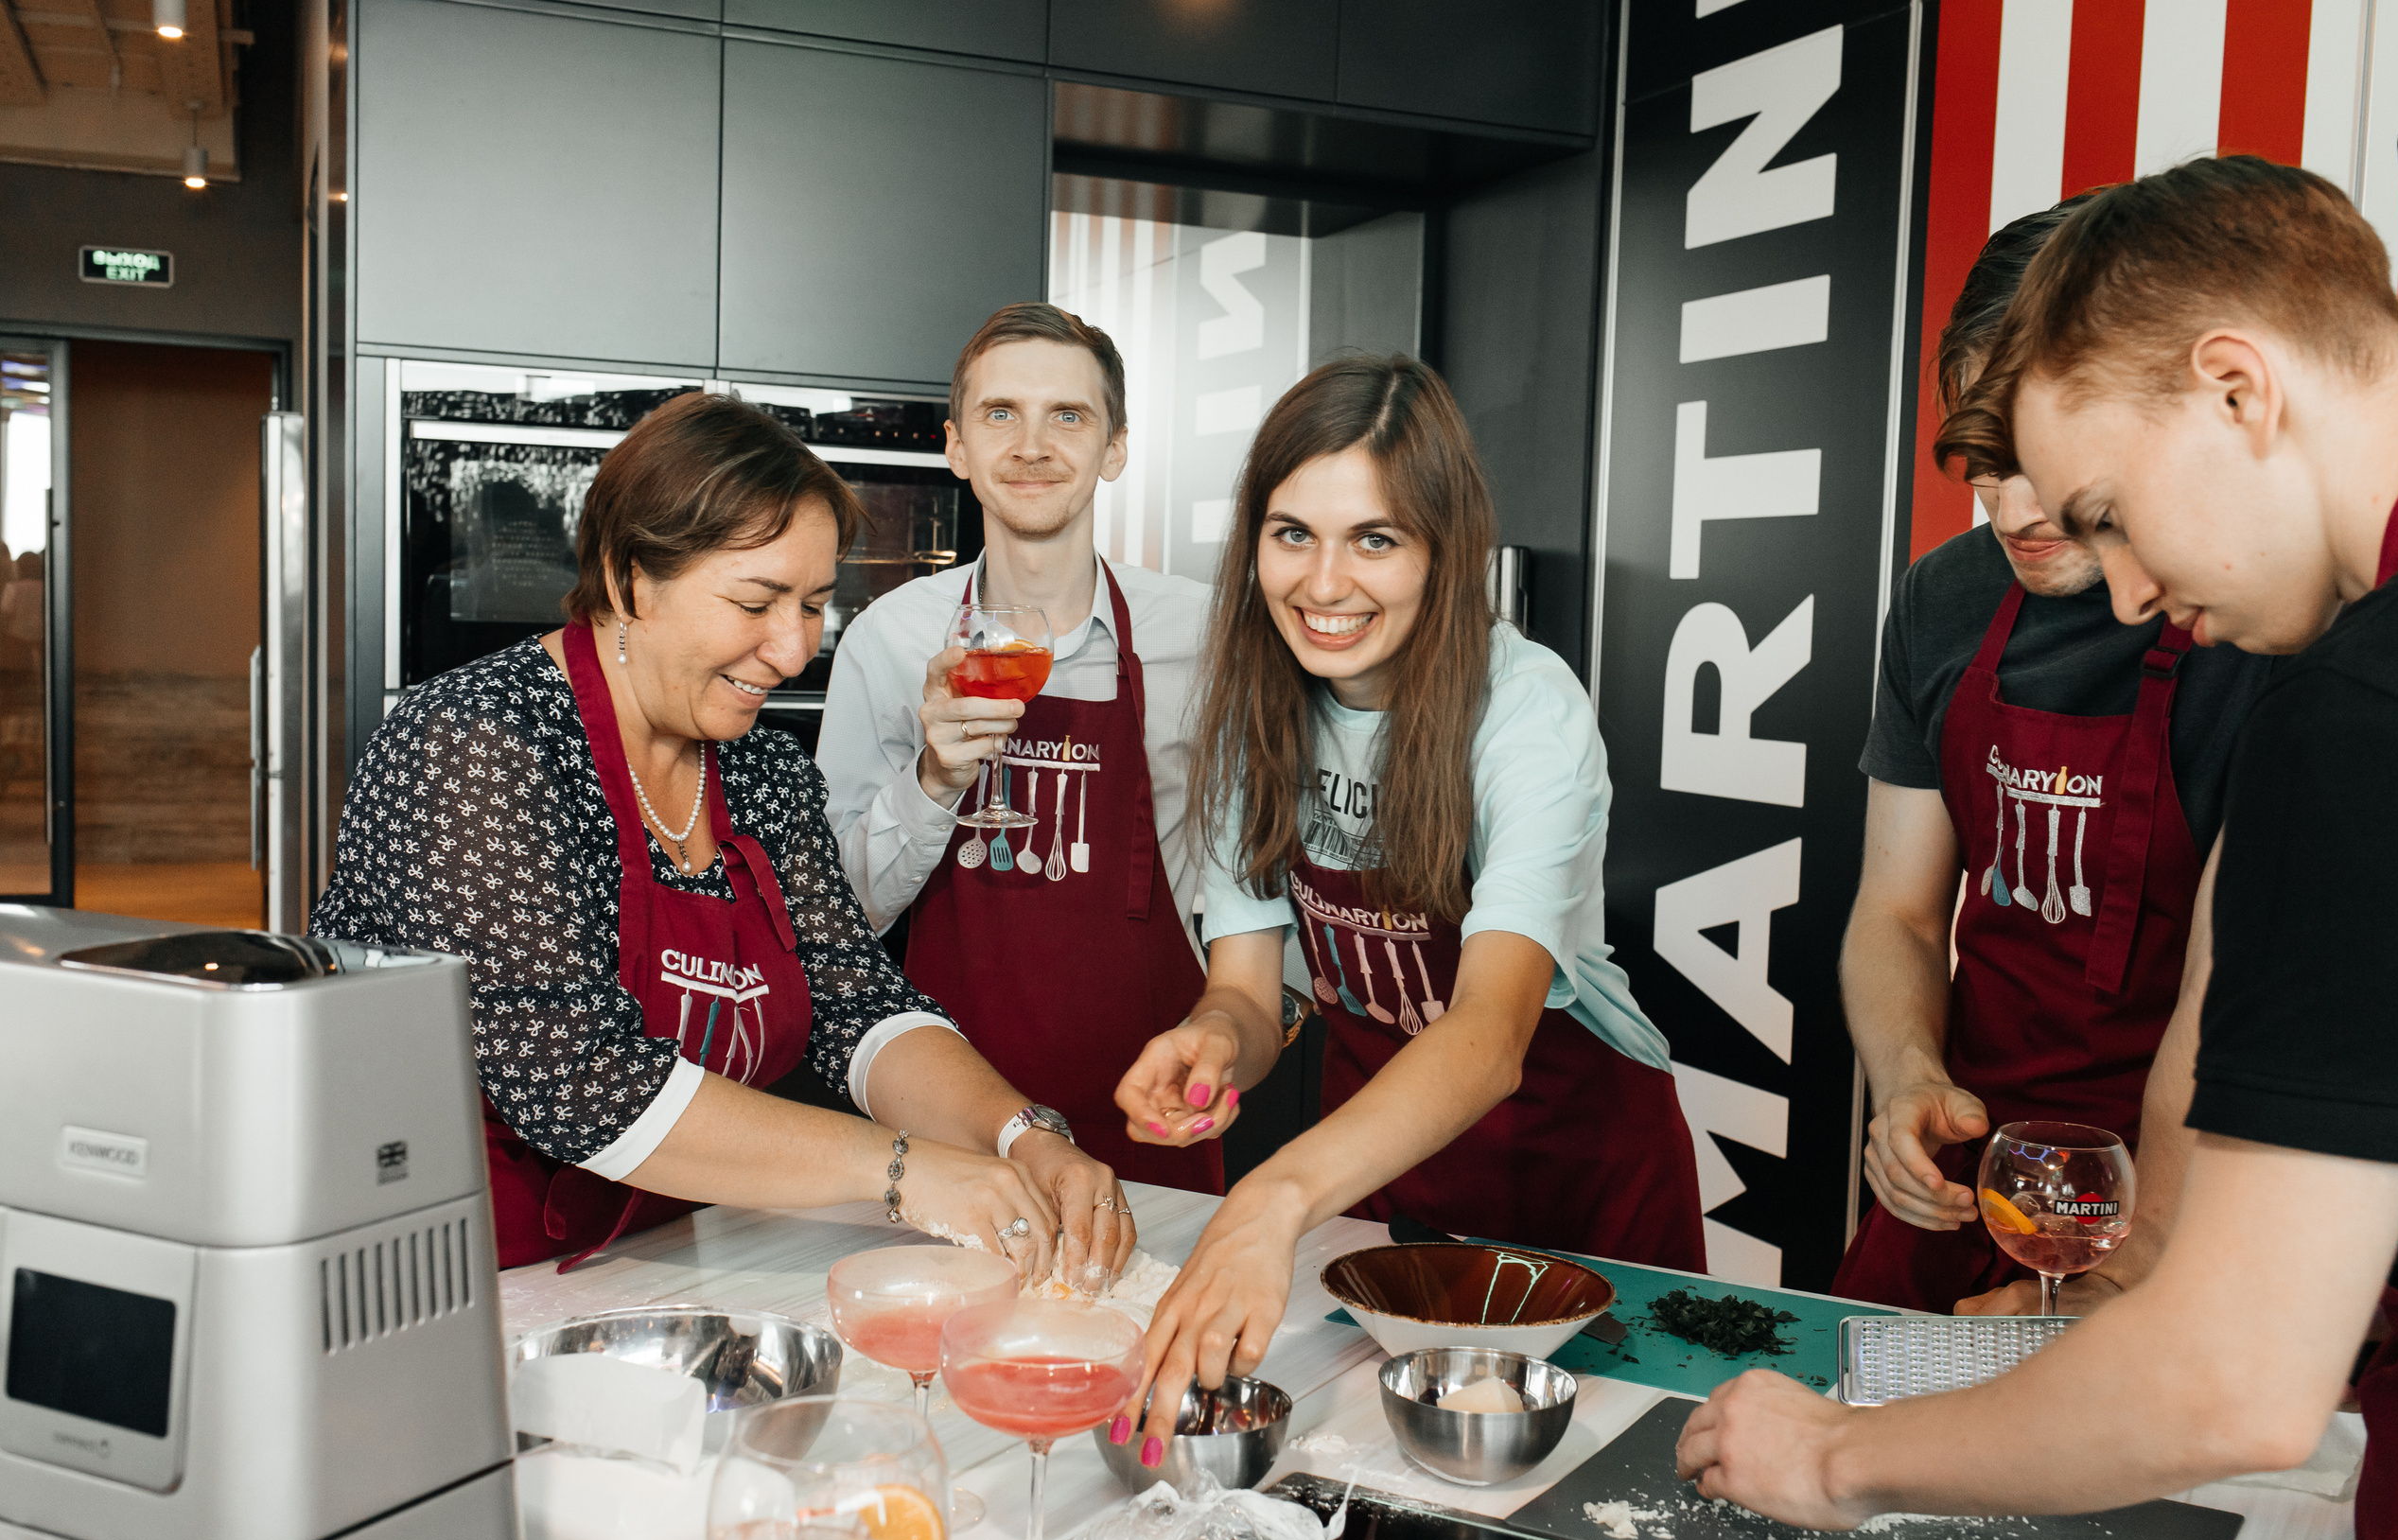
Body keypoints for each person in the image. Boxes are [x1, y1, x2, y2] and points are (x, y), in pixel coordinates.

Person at [1675, 158, 2398, 1540]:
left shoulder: (2364, 701)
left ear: (2235, 388)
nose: (2131, 587)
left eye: (2110, 509)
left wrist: (1833, 1456)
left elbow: (2233, 1375)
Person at [313, 392, 1133, 1278]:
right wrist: (904, 1173)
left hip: (657, 1258)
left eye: (816, 605)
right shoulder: (477, 744)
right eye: (756, 602)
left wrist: (1019, 1134)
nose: (792, 651)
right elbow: (580, 1084)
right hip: (447, 1273)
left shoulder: (760, 772)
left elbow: (858, 1004)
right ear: (632, 580)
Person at [1111, 356, 1705, 1460]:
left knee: (1597, 1499)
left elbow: (1486, 1040)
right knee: (1391, 1482)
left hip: (1578, 1179)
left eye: (1374, 539)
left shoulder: (1524, 712)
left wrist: (1269, 1201)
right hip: (1388, 1175)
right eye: (1292, 534)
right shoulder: (1255, 708)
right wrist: (1208, 1043)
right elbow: (1247, 989)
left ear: (1445, 550)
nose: (1323, 583)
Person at [1833, 201, 2269, 1316]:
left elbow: (2222, 1003)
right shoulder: (1941, 602)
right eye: (1981, 464)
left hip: (2208, 1188)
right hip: (1983, 1166)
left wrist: (2124, 1269)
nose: (2013, 512)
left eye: (2042, 464)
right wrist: (1910, 1082)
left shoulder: (2259, 623)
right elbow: (1899, 913)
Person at [818, 305, 1220, 1193]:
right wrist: (934, 778)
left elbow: (1250, 877)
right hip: (947, 1119)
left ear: (1115, 448)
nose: (1032, 445)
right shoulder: (890, 641)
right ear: (957, 447)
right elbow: (844, 914)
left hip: (1151, 1106)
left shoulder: (1205, 637)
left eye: (1067, 416)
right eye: (1001, 414)